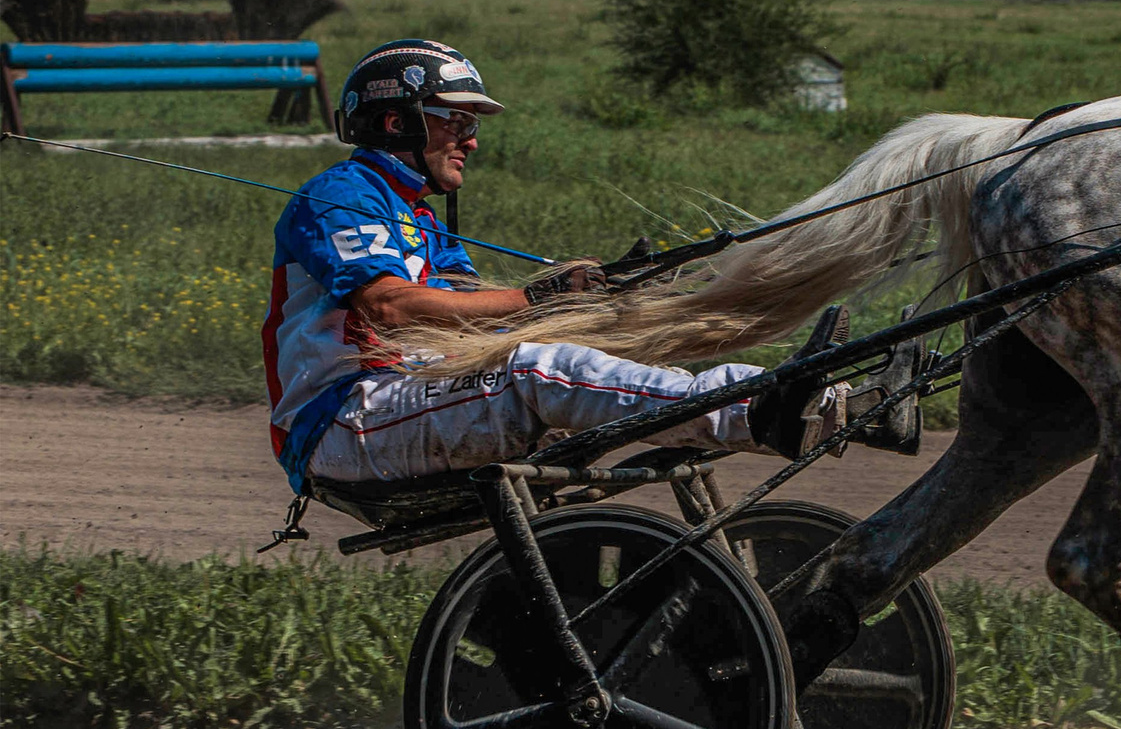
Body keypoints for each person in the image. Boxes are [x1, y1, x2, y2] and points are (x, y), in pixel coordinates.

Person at [265, 37, 848, 501]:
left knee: (601, 358)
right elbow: (388, 307)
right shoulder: (341, 193)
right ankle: (760, 410)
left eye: (473, 126)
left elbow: (475, 321)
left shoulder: (420, 217)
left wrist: (593, 301)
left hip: (407, 400)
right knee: (540, 371)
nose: (471, 142)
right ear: (398, 123)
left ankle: (806, 396)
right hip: (342, 421)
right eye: (457, 122)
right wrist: (537, 298)